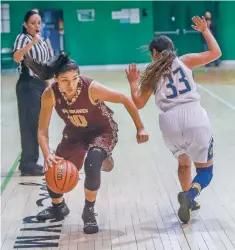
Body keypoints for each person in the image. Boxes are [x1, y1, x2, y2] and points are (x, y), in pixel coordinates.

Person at [23, 53, 149, 233]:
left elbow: (124, 98)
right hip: (75, 133)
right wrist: (47, 154)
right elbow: (42, 130)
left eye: (74, 78)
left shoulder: (91, 88)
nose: (71, 84)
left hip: (102, 131)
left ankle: (88, 212)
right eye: (65, 80)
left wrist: (141, 127)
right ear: (56, 79)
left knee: (93, 162)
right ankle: (58, 207)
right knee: (54, 168)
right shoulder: (49, 95)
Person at [125, 16, 221, 224]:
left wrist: (133, 83)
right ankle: (190, 196)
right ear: (172, 49)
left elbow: (139, 103)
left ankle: (188, 199)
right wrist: (205, 30)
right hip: (193, 115)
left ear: (154, 53)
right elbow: (216, 53)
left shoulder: (151, 74)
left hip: (169, 122)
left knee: (184, 162)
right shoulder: (184, 61)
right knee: (205, 171)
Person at [13, 10, 53, 176]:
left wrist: (49, 87)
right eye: (33, 23)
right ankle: (28, 163)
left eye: (39, 23)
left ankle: (28, 161)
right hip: (27, 85)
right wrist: (31, 43)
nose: (37, 26)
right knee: (30, 125)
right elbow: (16, 57)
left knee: (39, 123)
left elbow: (45, 64)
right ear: (25, 25)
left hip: (41, 84)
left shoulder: (42, 39)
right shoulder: (22, 38)